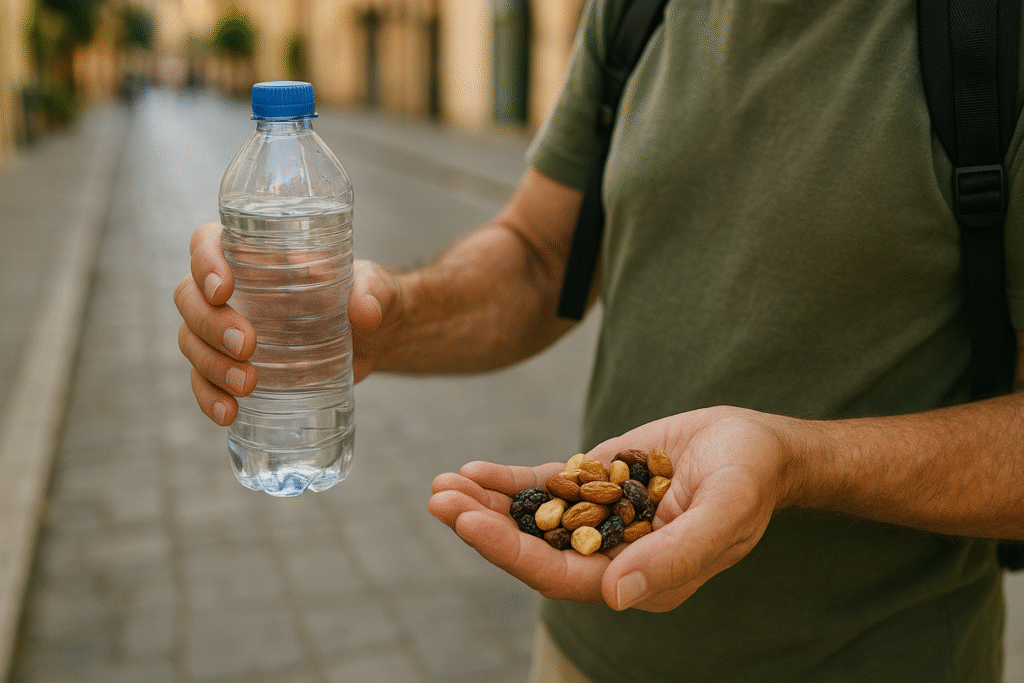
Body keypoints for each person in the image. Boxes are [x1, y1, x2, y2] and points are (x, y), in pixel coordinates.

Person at [174, 1, 1024, 681]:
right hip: (586, 647)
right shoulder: (634, 10)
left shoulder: (989, 34)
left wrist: (794, 460)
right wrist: (387, 314)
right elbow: (546, 256)